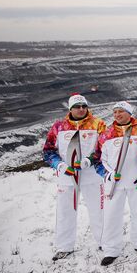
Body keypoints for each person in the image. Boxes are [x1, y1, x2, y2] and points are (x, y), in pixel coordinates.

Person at [42, 93, 107, 261]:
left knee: (98, 210)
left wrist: (89, 160)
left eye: (84, 106)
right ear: (70, 109)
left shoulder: (98, 124)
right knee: (65, 212)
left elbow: (103, 149)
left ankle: (104, 242)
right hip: (67, 177)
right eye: (77, 107)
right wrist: (60, 165)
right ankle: (64, 246)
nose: (81, 109)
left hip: (91, 175)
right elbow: (48, 151)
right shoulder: (59, 127)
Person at [90, 101, 137, 266]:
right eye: (115, 112)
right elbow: (97, 160)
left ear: (130, 113)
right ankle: (111, 249)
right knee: (111, 216)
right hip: (113, 183)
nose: (117, 115)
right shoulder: (106, 134)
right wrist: (107, 175)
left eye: (121, 111)